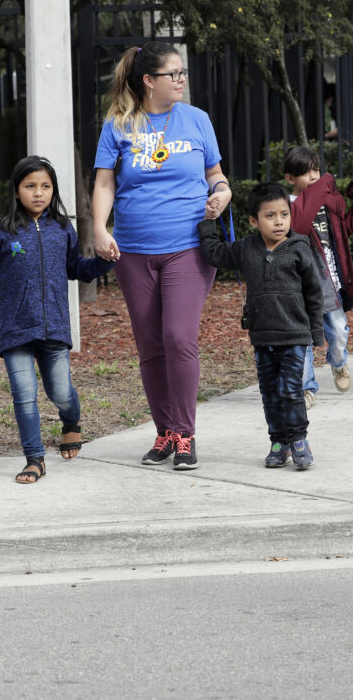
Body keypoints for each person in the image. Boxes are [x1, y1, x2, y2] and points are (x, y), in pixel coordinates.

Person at [91, 42, 232, 472]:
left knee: (178, 339)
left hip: (187, 248)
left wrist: (222, 193)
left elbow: (216, 175)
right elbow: (104, 184)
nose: (182, 79)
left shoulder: (197, 120)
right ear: (149, 80)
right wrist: (99, 227)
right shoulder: (118, 124)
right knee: (151, 347)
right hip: (133, 251)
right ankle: (166, 431)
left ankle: (186, 434)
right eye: (174, 73)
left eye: (183, 72)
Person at [0, 156, 114, 484]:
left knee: (61, 391)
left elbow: (75, 268)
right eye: (30, 186)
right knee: (24, 393)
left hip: (53, 327)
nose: (39, 193)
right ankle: (34, 459)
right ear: (16, 190)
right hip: (14, 329)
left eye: (45, 186)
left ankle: (71, 423)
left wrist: (104, 263)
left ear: (53, 190)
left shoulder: (62, 227)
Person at [198, 183, 323, 470]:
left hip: (294, 335)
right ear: (254, 221)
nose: (279, 221)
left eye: (283, 214)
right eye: (270, 216)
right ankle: (278, 442)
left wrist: (315, 333)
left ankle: (299, 440)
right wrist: (208, 222)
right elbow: (215, 253)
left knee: (291, 389)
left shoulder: (299, 248)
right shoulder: (246, 248)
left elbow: (314, 293)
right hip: (263, 337)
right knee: (269, 392)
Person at [282, 146, 353, 408]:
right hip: (300, 286)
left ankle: (338, 362)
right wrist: (324, 184)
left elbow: (344, 230)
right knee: (305, 339)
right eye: (306, 172)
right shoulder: (286, 205)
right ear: (289, 178)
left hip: (329, 281)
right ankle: (307, 389)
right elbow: (298, 224)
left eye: (316, 170)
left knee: (339, 332)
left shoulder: (326, 200)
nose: (314, 176)